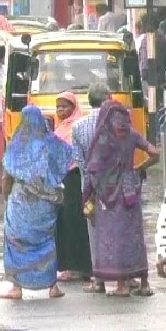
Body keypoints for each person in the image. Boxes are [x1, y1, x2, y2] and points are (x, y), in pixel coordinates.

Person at [83, 99, 159, 296]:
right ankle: (144, 283)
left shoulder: (104, 137)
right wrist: (139, 168)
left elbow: (93, 167)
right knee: (134, 235)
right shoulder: (132, 134)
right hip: (130, 188)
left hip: (109, 193)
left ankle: (122, 286)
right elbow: (154, 153)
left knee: (115, 236)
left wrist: (89, 191)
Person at [0, 106, 74, 300]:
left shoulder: (16, 145)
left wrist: (6, 196)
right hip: (45, 202)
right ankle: (52, 286)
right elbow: (67, 157)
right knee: (46, 240)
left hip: (21, 202)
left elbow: (6, 177)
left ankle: (16, 287)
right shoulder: (51, 143)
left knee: (16, 240)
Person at [72, 83, 110, 293]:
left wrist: (89, 184)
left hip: (89, 187)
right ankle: (124, 276)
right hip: (114, 186)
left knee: (94, 232)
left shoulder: (78, 126)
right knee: (116, 228)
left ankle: (99, 280)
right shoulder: (116, 124)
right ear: (108, 98)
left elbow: (79, 161)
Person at [52, 91, 93, 282]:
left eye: (65, 106)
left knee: (75, 222)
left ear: (74, 107)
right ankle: (70, 265)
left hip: (75, 178)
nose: (61, 110)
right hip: (62, 179)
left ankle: (79, 267)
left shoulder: (77, 126)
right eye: (58, 106)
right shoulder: (60, 128)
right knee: (64, 222)